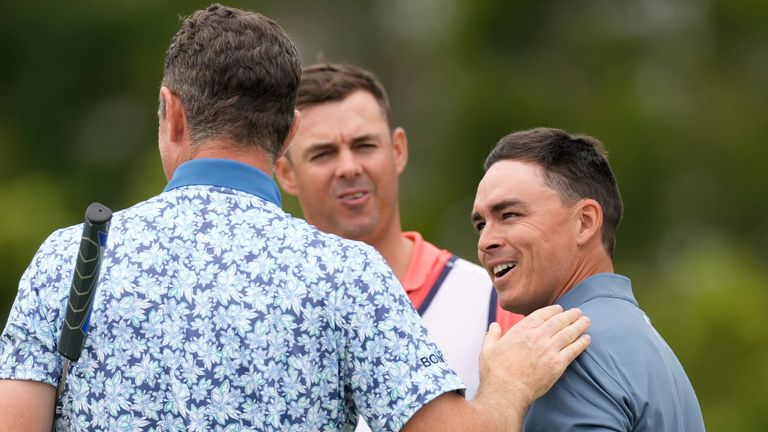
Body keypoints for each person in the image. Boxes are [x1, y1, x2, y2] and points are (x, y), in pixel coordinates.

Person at [0, 5, 591, 431]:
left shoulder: (71, 257)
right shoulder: (348, 273)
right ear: (289, 135)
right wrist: (511, 384)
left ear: (173, 114)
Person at [273, 63, 522, 407]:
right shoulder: (266, 308)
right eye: (323, 153)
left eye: (364, 146)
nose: (348, 167)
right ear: (286, 173)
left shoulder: (492, 301)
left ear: (398, 150)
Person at [471, 127, 705, 431]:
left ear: (585, 222)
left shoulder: (561, 353)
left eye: (510, 215)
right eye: (480, 224)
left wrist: (502, 391)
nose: (485, 241)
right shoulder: (644, 342)